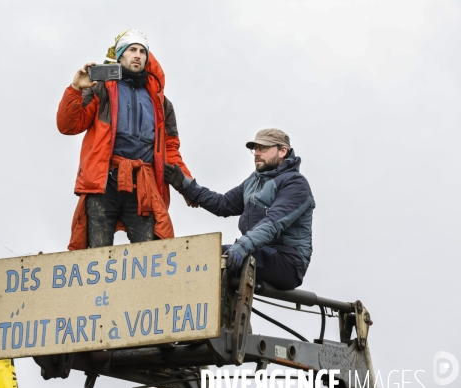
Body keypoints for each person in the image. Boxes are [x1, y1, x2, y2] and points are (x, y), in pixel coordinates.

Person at [57, 29, 192, 250]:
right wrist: (75, 90)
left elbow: (170, 148)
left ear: (148, 58)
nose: (137, 55)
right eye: (131, 50)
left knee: (150, 256)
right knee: (97, 255)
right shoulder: (99, 88)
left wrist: (187, 184)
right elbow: (68, 126)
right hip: (103, 185)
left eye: (142, 51)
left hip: (143, 185)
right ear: (120, 56)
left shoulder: (162, 103)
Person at [164, 128, 314, 290]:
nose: (256, 153)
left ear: (283, 151)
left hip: (287, 262)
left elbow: (272, 223)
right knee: (200, 254)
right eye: (255, 148)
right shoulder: (254, 181)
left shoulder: (296, 184)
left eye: (263, 148)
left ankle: (219, 312)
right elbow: (222, 204)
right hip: (256, 251)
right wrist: (186, 186)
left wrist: (240, 248)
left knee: (213, 257)